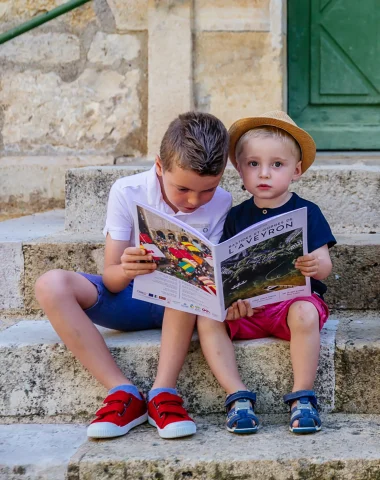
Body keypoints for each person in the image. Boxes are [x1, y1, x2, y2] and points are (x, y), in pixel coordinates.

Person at [35, 112, 232, 439]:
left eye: (207, 190)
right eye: (182, 189)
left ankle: (163, 392)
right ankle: (122, 392)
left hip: (187, 308)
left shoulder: (223, 201)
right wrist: (127, 268)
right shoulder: (128, 191)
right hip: (131, 299)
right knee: (50, 284)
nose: (194, 201)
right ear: (159, 166)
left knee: (187, 275)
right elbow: (111, 279)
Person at [196, 111, 336, 435]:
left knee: (305, 312)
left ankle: (303, 396)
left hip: (290, 306)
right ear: (239, 169)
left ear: (296, 171)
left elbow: (325, 266)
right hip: (248, 310)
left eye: (277, 165)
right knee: (207, 317)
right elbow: (226, 269)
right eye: (253, 164)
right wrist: (229, 301)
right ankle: (237, 396)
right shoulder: (235, 216)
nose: (264, 174)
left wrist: (315, 266)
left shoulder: (307, 212)